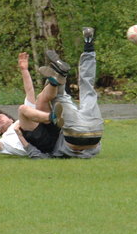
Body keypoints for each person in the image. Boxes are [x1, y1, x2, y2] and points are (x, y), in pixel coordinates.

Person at [17, 27, 104, 159]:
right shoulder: (9, 135)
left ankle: (87, 47)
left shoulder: (22, 125)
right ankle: (87, 47)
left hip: (94, 132)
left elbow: (29, 91)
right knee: (82, 90)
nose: (1, 120)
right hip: (77, 134)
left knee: (82, 92)